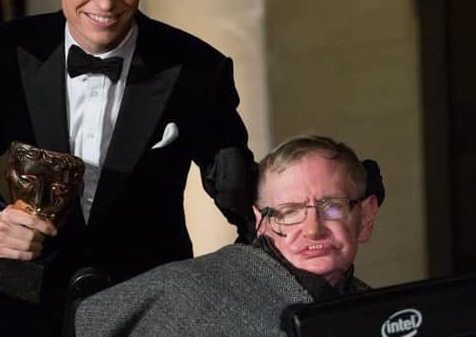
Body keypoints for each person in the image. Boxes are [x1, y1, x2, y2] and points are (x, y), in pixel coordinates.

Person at [0, 0, 257, 335]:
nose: (106, 2)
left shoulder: (198, 69)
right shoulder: (4, 53)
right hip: (28, 298)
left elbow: (237, 186)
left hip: (153, 303)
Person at [73, 135, 384, 336]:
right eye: (290, 212)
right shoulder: (189, 292)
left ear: (366, 216)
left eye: (332, 207)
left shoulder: (386, 314)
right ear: (261, 221)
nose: (313, 228)